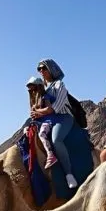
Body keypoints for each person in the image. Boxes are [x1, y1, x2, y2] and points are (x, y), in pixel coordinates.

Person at [31, 59, 78, 188]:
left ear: (51, 69)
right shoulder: (44, 89)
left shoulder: (59, 85)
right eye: (39, 69)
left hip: (63, 117)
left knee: (56, 139)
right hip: (48, 119)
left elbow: (54, 108)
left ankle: (69, 174)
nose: (41, 71)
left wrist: (38, 112)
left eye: (43, 68)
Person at [26, 76, 60, 168]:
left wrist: (37, 112)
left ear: (38, 87)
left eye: (33, 87)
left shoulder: (45, 97)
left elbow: (49, 109)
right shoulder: (34, 101)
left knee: (42, 134)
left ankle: (51, 155)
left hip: (49, 120)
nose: (31, 91)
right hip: (39, 122)